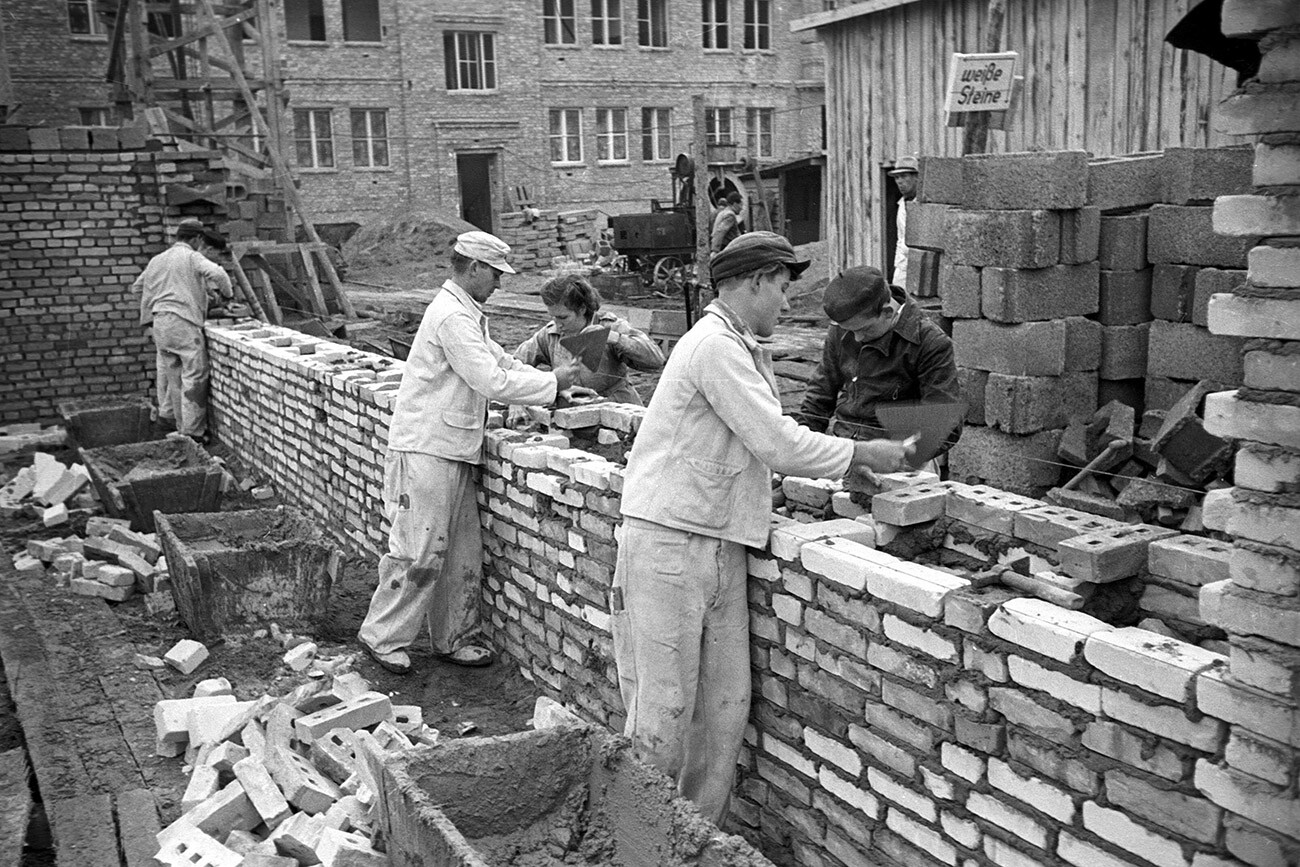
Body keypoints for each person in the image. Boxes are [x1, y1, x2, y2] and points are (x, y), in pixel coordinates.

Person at [612, 232, 915, 824]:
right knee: (663, 714)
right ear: (754, 282)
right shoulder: (713, 346)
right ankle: (632, 842)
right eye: (780, 286)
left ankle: (693, 841)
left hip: (721, 538)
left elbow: (751, 441)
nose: (785, 300)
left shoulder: (745, 344)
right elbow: (777, 441)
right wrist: (863, 455)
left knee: (724, 713)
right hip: (670, 538)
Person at [358, 231, 584, 675]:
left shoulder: (467, 314)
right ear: (475, 268)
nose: (499, 284)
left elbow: (501, 362)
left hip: (455, 446)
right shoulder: (450, 317)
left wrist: (556, 388)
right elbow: (491, 381)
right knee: (418, 550)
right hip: (427, 447)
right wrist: (552, 382)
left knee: (460, 552)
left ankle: (454, 637)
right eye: (496, 274)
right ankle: (382, 636)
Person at [797, 265, 962, 461]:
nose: (856, 339)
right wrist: (799, 455)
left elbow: (944, 426)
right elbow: (819, 397)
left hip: (898, 460)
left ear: (887, 312)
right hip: (847, 453)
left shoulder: (930, 343)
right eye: (850, 331)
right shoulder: (844, 328)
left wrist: (896, 456)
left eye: (865, 330)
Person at [134, 218, 233, 445]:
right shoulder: (191, 256)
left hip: (160, 323)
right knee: (194, 375)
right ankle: (193, 433)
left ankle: (178, 427)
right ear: (197, 239)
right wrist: (227, 295)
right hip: (183, 323)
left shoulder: (157, 259)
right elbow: (218, 274)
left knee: (174, 377)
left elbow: (137, 287)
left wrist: (162, 297)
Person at [513, 275, 665, 405]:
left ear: (582, 309)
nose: (558, 324)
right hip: (573, 410)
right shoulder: (550, 334)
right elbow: (514, 365)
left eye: (563, 317)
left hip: (616, 405)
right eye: (553, 316)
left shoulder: (609, 326)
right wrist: (516, 402)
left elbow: (656, 360)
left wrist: (615, 338)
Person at [890, 156, 919, 289]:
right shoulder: (901, 204)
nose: (899, 182)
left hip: (920, 264)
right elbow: (900, 239)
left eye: (904, 176)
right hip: (903, 266)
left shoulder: (923, 205)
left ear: (916, 177)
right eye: (897, 178)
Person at [710, 190, 744, 254]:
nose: (741, 208)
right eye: (741, 205)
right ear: (735, 204)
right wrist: (715, 250)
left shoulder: (723, 212)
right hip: (727, 248)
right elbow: (720, 231)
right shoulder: (730, 215)